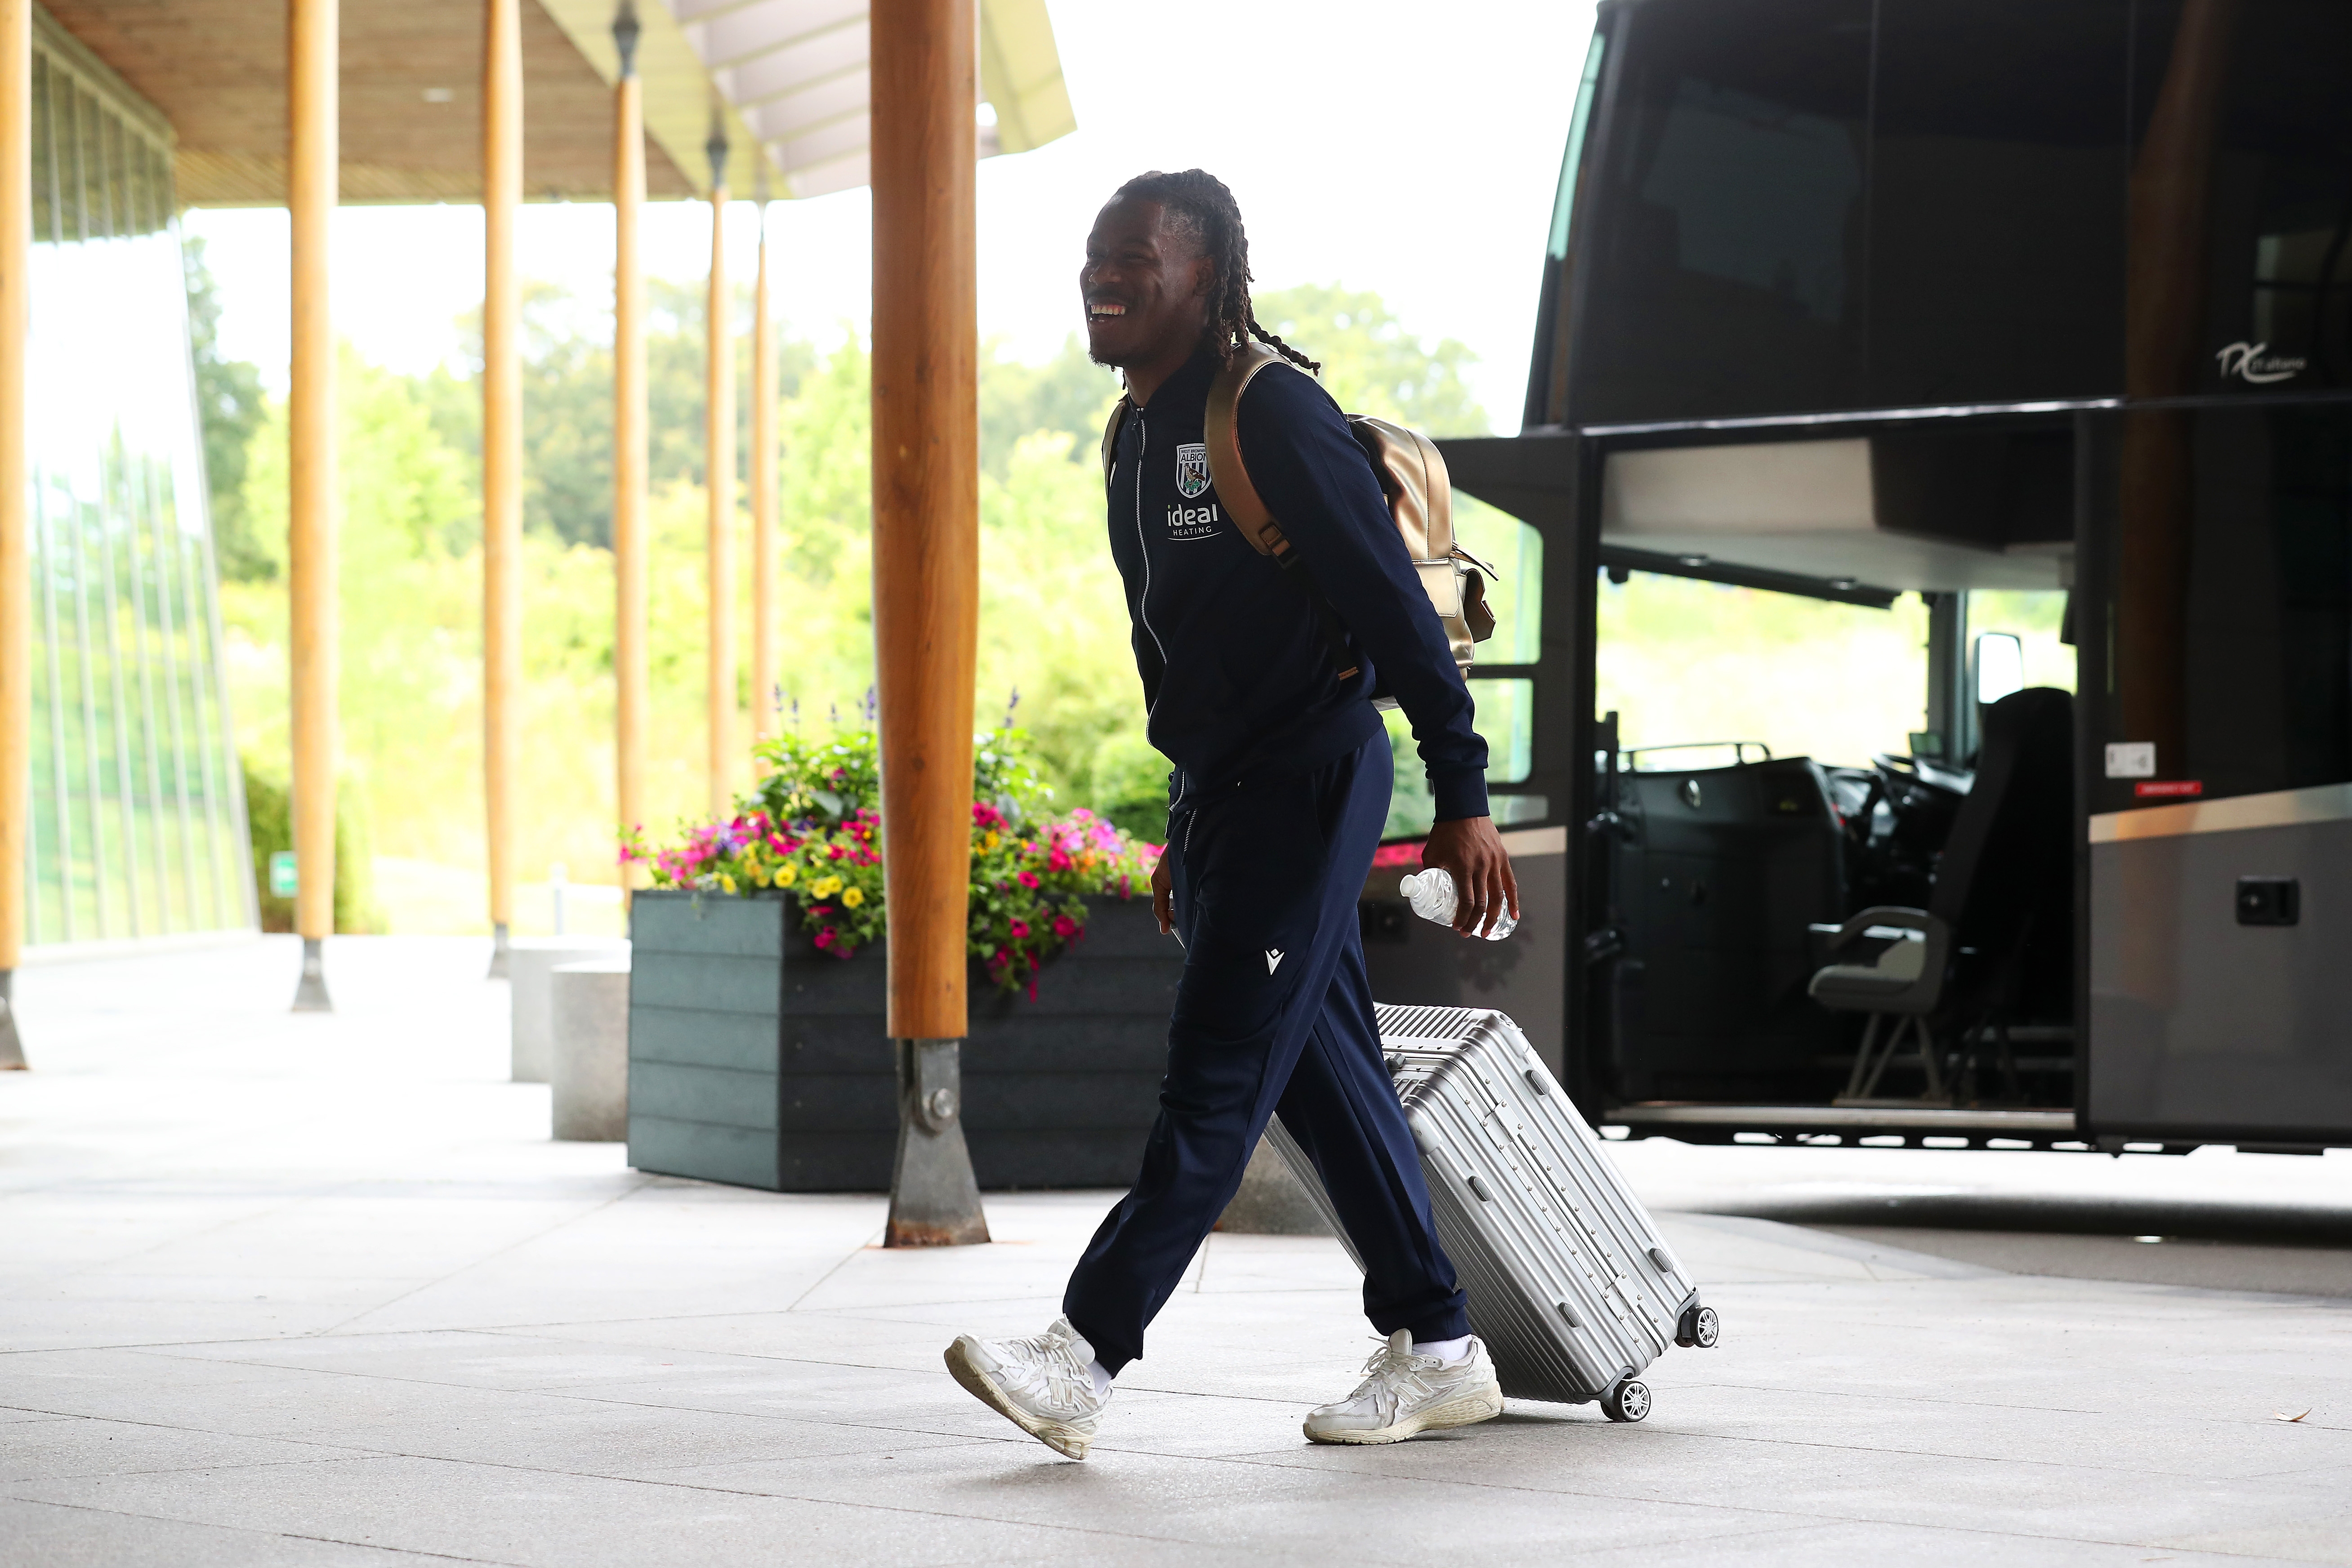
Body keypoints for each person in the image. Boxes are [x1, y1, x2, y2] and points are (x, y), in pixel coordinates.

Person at [945, 169, 1519, 1461]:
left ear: (1204, 279)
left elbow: (1390, 614)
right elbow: (1180, 649)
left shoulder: (1271, 412)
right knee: (1324, 1078)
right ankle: (1438, 1344)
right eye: (1095, 256)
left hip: (1311, 775)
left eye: (1136, 258)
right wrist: (1184, 813)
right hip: (1227, 799)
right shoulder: (1134, 435)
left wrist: (1462, 799)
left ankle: (1083, 1357)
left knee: (1216, 1073)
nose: (1105, 277)